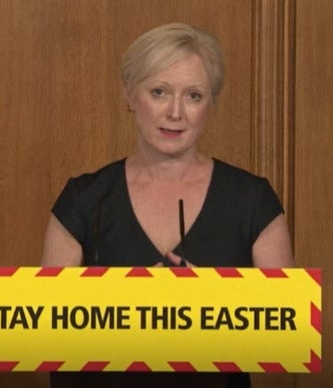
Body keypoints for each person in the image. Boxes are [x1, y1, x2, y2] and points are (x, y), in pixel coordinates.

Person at [42, 22, 294, 388]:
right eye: (159, 92)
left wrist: (209, 306)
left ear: (211, 105)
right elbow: (46, 338)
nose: (175, 112)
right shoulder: (82, 200)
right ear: (130, 95)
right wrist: (131, 310)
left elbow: (286, 343)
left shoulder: (253, 200)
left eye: (193, 96)